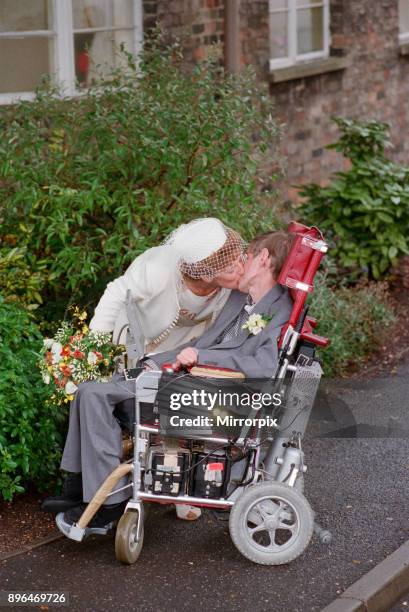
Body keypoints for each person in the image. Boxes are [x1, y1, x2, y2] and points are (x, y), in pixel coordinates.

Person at [47, 230, 293, 534]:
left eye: (249, 255)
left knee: (95, 395)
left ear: (264, 258)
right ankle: (80, 485)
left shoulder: (280, 308)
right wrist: (156, 360)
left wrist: (201, 358)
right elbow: (205, 340)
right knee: (90, 391)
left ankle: (108, 504)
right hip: (185, 382)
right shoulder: (242, 299)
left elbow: (264, 365)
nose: (243, 262)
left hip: (208, 400)